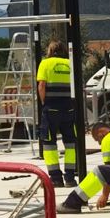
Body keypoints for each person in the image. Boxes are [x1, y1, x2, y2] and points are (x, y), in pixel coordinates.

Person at [36, 40, 78, 187]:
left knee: (49, 143)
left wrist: (43, 103)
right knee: (71, 143)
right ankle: (70, 177)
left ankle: (55, 178)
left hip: (51, 108)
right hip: (69, 108)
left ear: (50, 50)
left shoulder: (45, 63)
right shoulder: (70, 63)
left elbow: (42, 85)